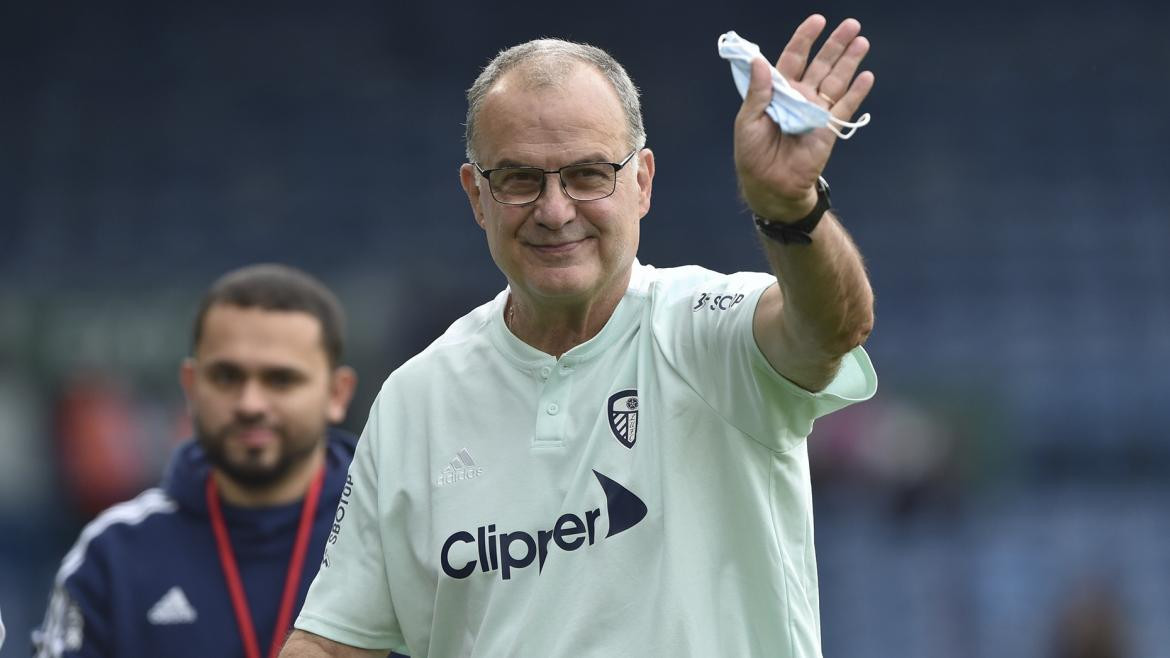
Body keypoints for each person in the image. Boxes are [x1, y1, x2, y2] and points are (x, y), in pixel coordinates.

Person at [283, 14, 877, 658]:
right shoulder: (415, 399)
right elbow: (336, 642)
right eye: (518, 180)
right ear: (476, 196)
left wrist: (791, 209)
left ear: (642, 182)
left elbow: (832, 327)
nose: (555, 209)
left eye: (589, 174)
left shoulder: (710, 327)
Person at [32, 264, 383, 658]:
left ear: (338, 393)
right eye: (227, 377)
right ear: (191, 386)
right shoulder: (112, 555)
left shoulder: (394, 532)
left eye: (281, 380)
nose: (251, 403)